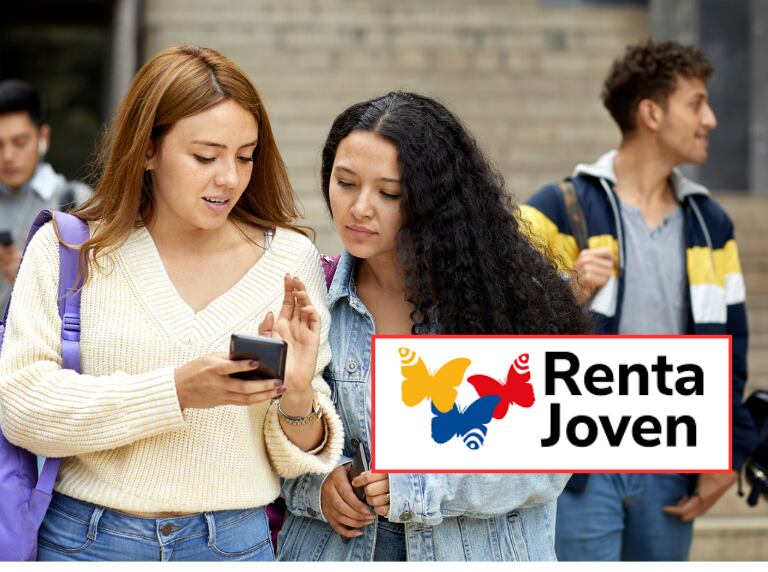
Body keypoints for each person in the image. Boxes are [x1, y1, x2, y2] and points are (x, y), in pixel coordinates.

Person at [0, 45, 343, 561]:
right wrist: (175, 391)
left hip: (233, 546)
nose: (228, 177)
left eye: (245, 156)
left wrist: (297, 393)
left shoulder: (289, 259)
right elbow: (22, 409)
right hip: (84, 543)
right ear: (147, 149)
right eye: (205, 157)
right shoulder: (70, 248)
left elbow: (295, 459)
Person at [277, 91, 591, 562]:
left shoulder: (506, 299)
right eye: (345, 183)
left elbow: (552, 461)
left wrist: (418, 484)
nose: (359, 208)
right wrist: (317, 488)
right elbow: (264, 442)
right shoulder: (309, 296)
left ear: (434, 202)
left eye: (389, 193)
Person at [520, 39, 758, 561]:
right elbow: (500, 326)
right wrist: (571, 291)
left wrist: (728, 453)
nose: (712, 119)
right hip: (581, 466)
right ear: (651, 112)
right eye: (696, 103)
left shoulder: (710, 223)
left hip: (672, 463)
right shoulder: (557, 207)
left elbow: (731, 348)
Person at [0, 79, 91, 311]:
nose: (8, 156)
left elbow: (106, 282)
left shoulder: (74, 201)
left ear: (44, 138)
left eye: (20, 143)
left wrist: (37, 270)